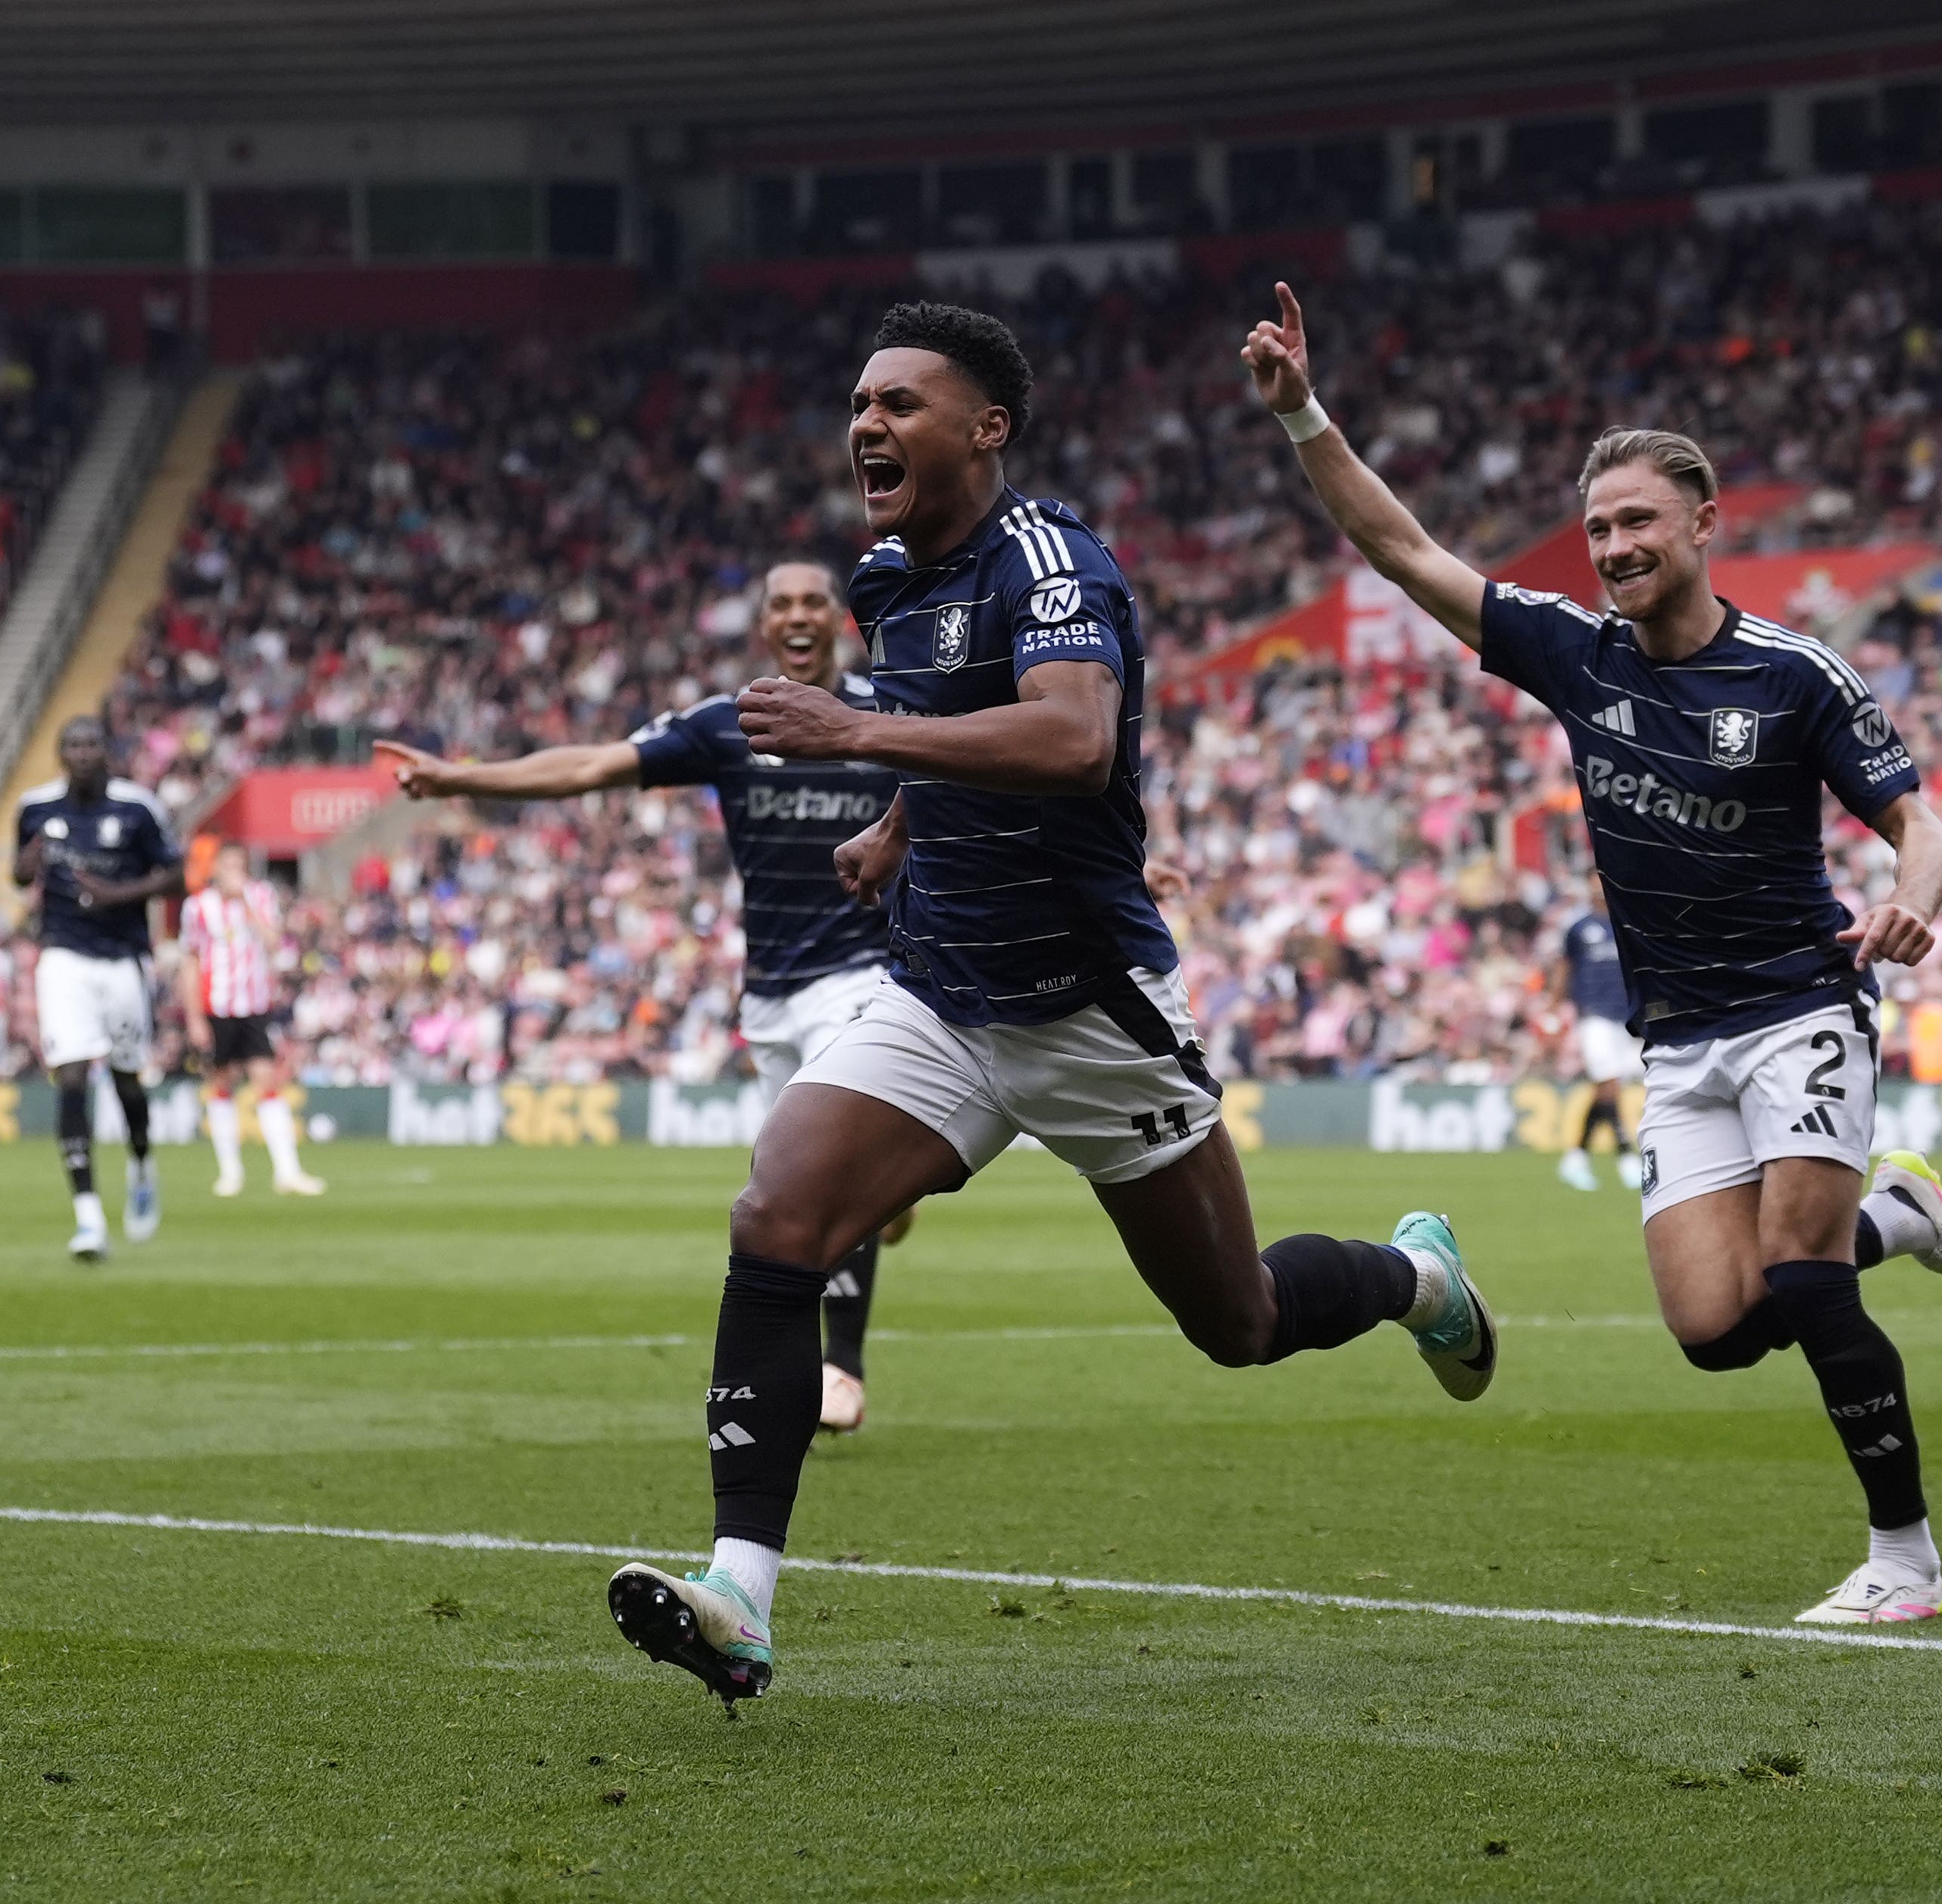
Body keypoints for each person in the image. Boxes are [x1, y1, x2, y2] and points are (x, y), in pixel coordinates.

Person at [598, 302, 1496, 1705]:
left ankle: (1414, 1275)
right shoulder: (887, 576)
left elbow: (1074, 739)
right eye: (859, 402)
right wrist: (896, 823)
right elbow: (949, 724)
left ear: (985, 427)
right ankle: (739, 1594)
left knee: (1238, 1321)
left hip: (1089, 1007)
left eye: (900, 402)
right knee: (777, 1217)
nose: (867, 423)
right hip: (944, 988)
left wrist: (855, 735)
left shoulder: (1052, 559)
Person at [1246, 283, 1942, 1627]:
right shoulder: (1572, 653)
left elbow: (1920, 823)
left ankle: (1904, 1560)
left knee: (1798, 1276)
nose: (1611, 546)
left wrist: (1912, 900)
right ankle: (1903, 1212)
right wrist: (1305, 414)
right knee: (1713, 1331)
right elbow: (1400, 551)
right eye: (1597, 526)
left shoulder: (1792, 676)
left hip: (1799, 1005)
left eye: (1636, 522)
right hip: (1679, 1038)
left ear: (1702, 525)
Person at [381, 560, 905, 1436]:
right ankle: (892, 1192)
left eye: (814, 599)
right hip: (772, 992)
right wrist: (461, 778)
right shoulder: (725, 724)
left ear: (837, 617)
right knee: (833, 1183)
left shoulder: (885, 712)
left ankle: (839, 1370)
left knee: (821, 1168)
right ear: (766, 625)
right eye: (782, 603)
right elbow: (594, 763)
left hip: (869, 975)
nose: (799, 614)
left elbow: (972, 791)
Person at [13, 716, 182, 1260]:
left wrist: (118, 892)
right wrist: (27, 865)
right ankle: (88, 1219)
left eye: (91, 745)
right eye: (74, 746)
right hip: (63, 955)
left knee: (130, 1081)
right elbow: (20, 874)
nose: (83, 754)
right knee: (72, 1074)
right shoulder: (36, 807)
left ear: (106, 752)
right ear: (61, 754)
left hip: (123, 960)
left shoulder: (138, 808)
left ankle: (140, 1161)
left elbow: (177, 877)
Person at [175, 841, 323, 1198]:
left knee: (267, 1079)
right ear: (215, 870)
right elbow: (190, 962)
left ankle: (287, 1171)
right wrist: (194, 1017)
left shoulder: (260, 897)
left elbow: (274, 942)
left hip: (254, 1004)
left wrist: (246, 906)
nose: (233, 874)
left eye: (239, 866)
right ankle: (230, 1172)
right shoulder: (198, 907)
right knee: (222, 1083)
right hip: (217, 1006)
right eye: (227, 866)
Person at [1556, 881, 1637, 1191]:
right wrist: (1554, 1009)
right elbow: (1564, 969)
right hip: (1593, 1015)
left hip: (1624, 1015)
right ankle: (1626, 1156)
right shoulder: (1579, 928)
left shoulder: (1627, 924)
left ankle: (1576, 1157)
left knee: (1607, 1089)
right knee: (1609, 1083)